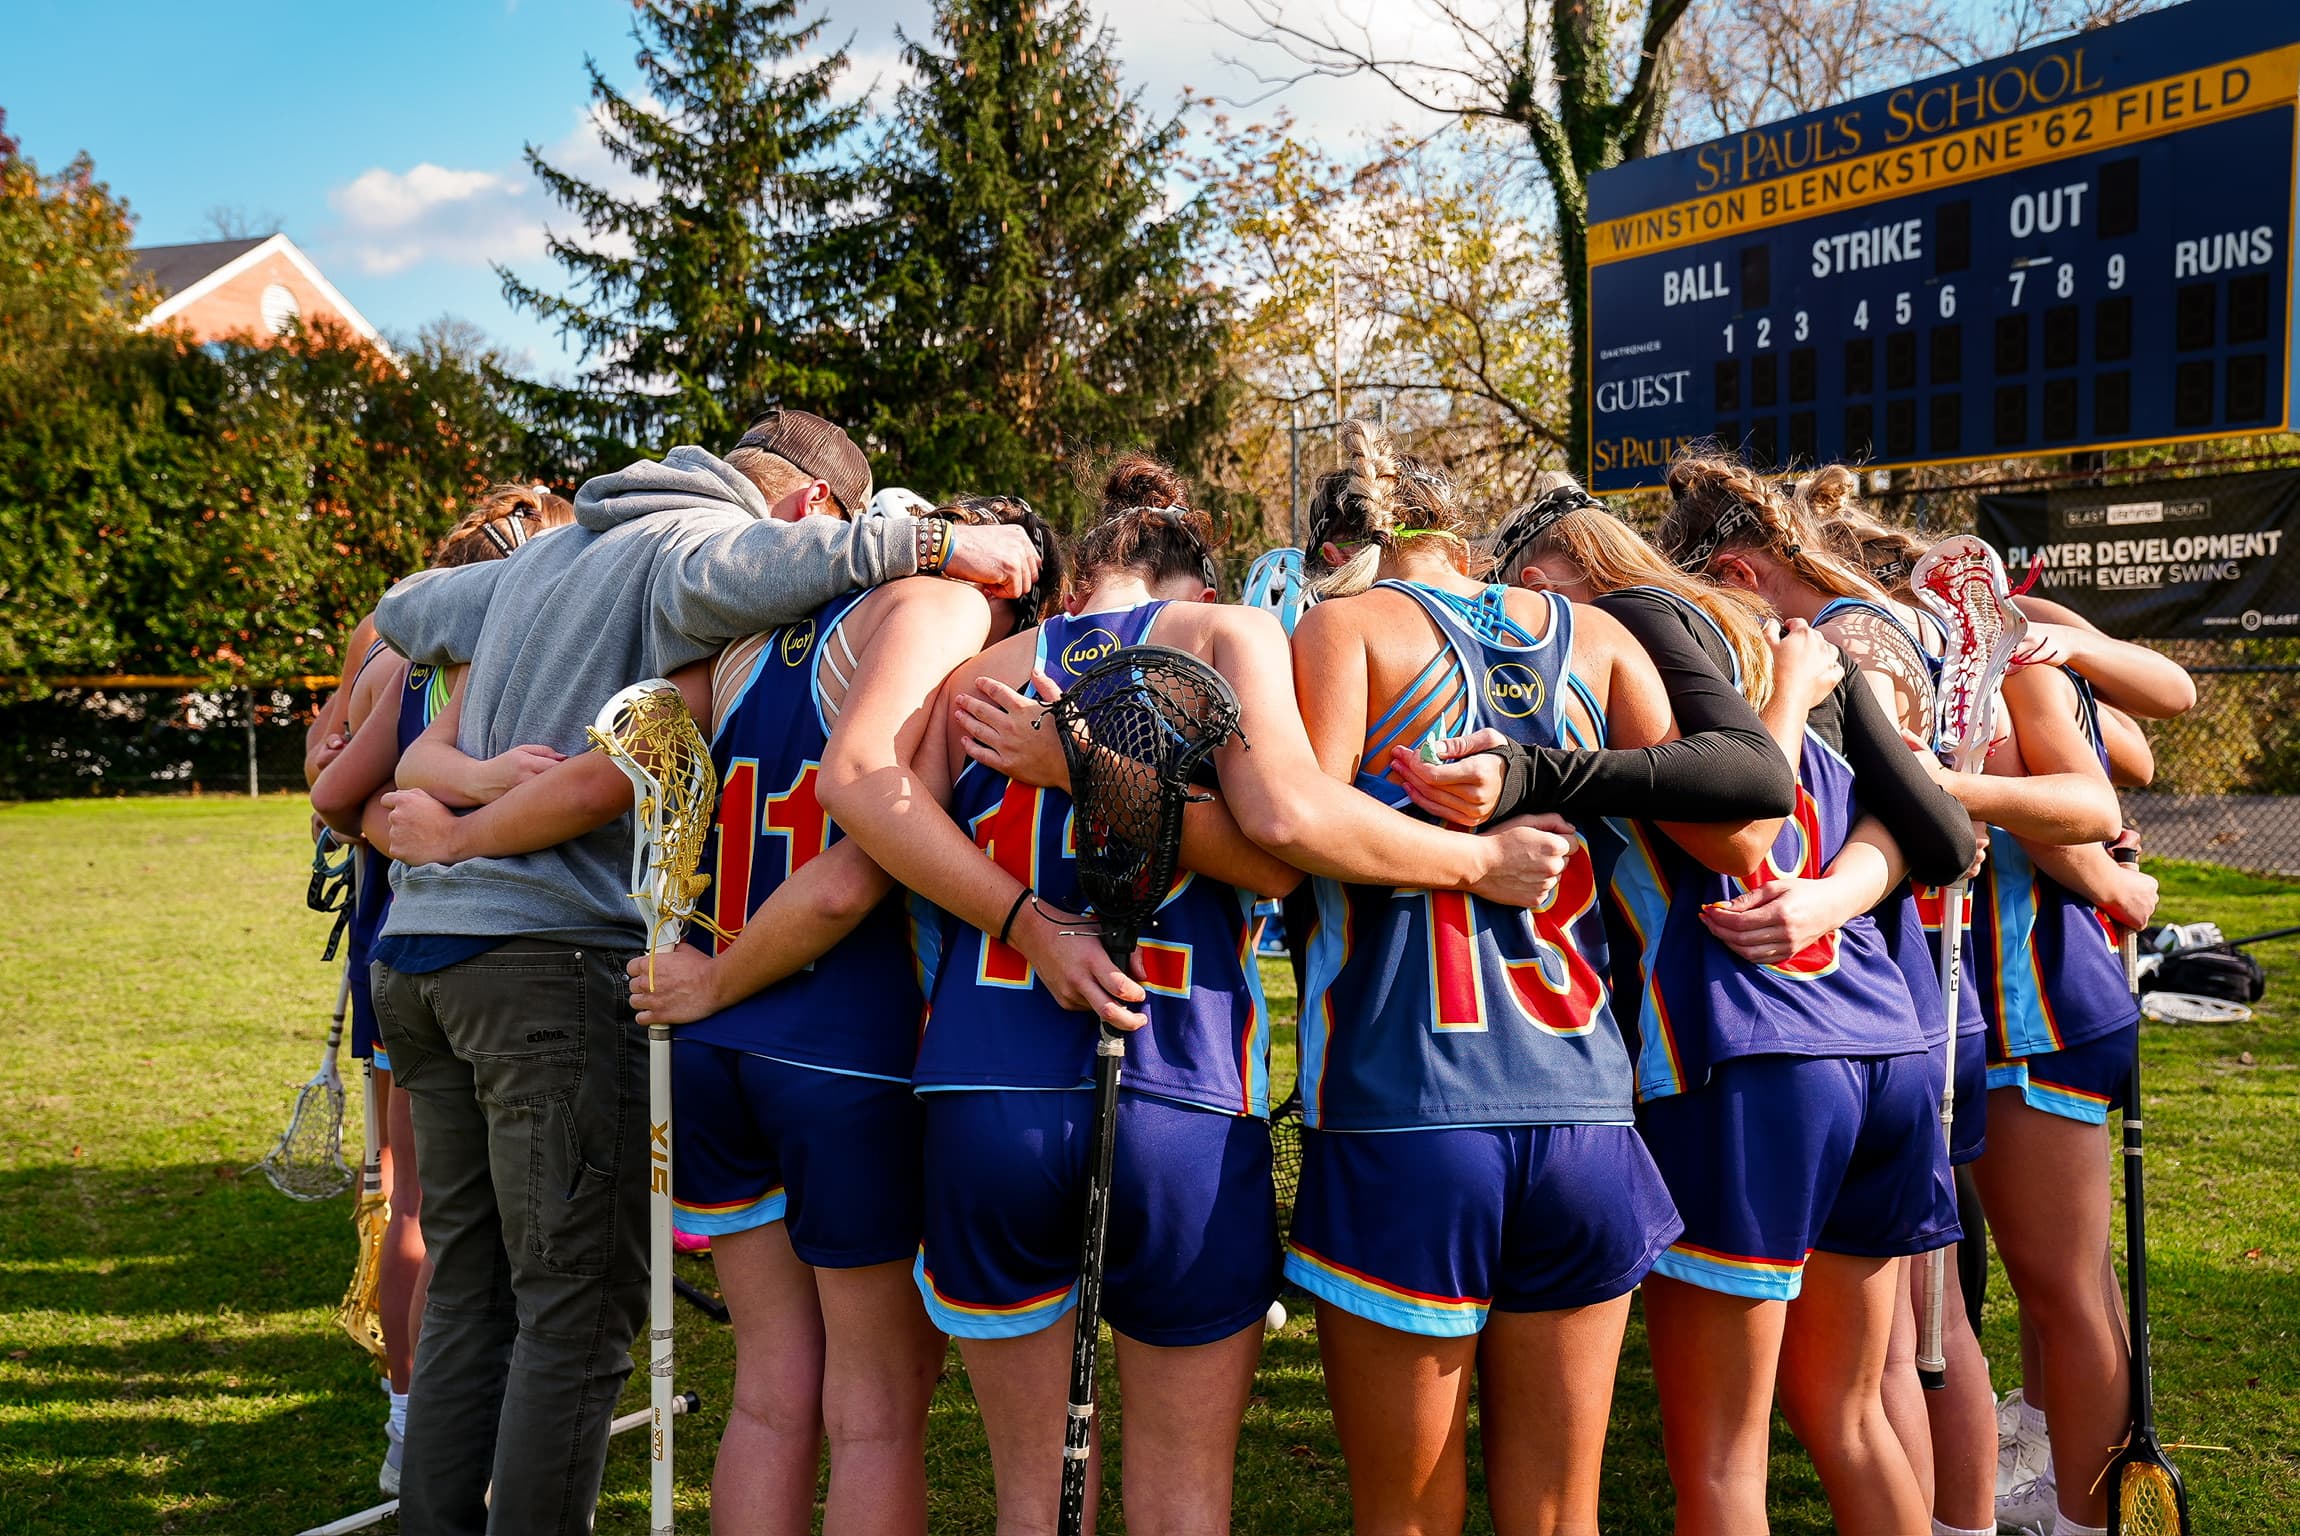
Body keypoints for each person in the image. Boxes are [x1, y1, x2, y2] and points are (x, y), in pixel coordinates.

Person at [823, 451, 1586, 1535]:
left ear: (1080, 578)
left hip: (986, 1092)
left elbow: (869, 798)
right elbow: (1279, 846)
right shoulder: (1231, 636)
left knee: (1033, 1503)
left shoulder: (974, 672)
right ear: (1201, 577)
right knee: (1183, 1497)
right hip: (1176, 1090)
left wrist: (1019, 914)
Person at [367, 408, 1042, 1536]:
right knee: (609, 1322)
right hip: (653, 978)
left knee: (497, 1295)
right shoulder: (714, 563)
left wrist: (456, 782)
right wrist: (932, 550)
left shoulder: (591, 573)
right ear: (805, 512)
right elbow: (676, 781)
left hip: (494, 970)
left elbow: (404, 610)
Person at [1624, 452, 1977, 1535]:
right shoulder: (1829, 682)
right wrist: (1837, 895)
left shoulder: (1693, 682)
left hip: (1757, 1058)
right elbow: (1936, 831)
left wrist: (1816, 895)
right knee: (1852, 1410)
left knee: (1724, 1466)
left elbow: (1747, 818)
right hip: (1887, 1048)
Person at [307, 483, 575, 1495]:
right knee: (500, 1227)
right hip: (500, 951)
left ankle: (415, 1424)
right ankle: (451, 1424)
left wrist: (391, 812)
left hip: (402, 948)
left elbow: (335, 788)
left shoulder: (398, 645)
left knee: (421, 1204)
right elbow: (349, 795)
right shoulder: (504, 647)